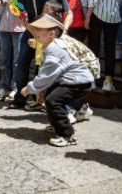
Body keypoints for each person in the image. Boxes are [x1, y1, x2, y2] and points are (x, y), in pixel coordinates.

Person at [21, 14, 94, 147]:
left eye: (40, 29)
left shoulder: (55, 49)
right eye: (36, 29)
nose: (36, 32)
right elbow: (47, 74)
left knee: (53, 100)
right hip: (73, 81)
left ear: (51, 34)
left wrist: (30, 88)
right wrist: (41, 90)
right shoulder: (50, 46)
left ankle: (67, 134)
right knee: (50, 98)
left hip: (78, 83)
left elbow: (46, 75)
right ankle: (57, 126)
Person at [8, 0, 72, 110]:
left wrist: (64, 31)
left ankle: (44, 101)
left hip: (49, 35)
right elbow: (18, 11)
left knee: (45, 66)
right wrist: (30, 28)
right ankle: (20, 99)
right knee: (21, 63)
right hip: (31, 30)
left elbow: (69, 13)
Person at [0, 0, 25, 100]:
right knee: (6, 60)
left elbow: (22, 8)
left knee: (17, 60)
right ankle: (5, 86)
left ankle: (15, 87)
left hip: (19, 27)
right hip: (5, 26)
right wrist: (1, 2)